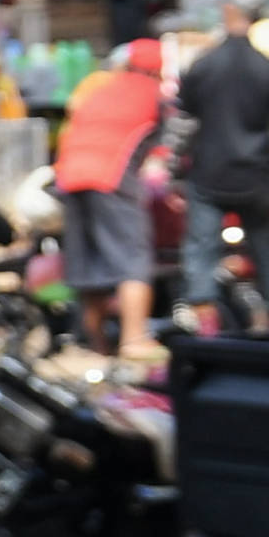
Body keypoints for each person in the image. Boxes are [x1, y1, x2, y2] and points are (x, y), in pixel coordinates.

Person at [175, 0, 269, 328]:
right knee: (267, 250)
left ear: (228, 11)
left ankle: (207, 325)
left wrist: (169, 171)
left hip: (208, 178)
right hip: (255, 178)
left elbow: (183, 127)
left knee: (200, 250)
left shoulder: (203, 65)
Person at [53, 36, 169, 360]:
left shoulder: (99, 89)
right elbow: (166, 152)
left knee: (91, 268)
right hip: (110, 177)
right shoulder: (153, 95)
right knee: (133, 260)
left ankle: (96, 346)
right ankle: (134, 339)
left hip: (69, 177)